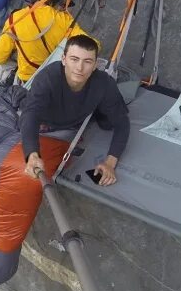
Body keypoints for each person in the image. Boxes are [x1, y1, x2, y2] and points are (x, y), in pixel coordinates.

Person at [20, 34, 130, 186]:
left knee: (108, 122)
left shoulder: (104, 84)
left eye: (87, 61)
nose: (79, 68)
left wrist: (110, 163)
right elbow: (30, 115)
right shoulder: (48, 78)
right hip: (46, 125)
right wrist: (31, 155)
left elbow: (122, 123)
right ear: (64, 59)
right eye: (74, 59)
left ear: (95, 64)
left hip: (78, 123)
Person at [0, 0, 87, 83]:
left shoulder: (15, 18)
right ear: (63, 0)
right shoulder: (65, 22)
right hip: (54, 81)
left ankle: (10, 79)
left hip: (28, 83)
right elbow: (92, 46)